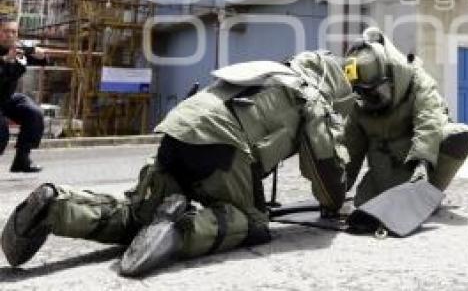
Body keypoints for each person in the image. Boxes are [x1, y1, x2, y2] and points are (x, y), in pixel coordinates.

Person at [2, 50, 354, 277]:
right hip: (221, 144)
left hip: (178, 129)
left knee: (136, 214)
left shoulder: (269, 72)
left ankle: (57, 205)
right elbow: (324, 167)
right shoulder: (311, 96)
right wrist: (335, 203)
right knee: (251, 222)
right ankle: (178, 227)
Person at [341, 28, 468, 206]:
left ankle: (426, 193)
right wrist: (336, 188)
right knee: (363, 204)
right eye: (364, 93)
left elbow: (428, 122)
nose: (371, 98)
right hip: (383, 165)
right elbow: (351, 146)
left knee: (456, 135)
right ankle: (407, 199)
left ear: (391, 75)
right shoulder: (360, 104)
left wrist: (422, 162)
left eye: (377, 91)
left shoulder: (419, 83)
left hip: (418, 161)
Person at [0, 15, 47, 173]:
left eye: (14, 32)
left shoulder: (19, 50)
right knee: (1, 130)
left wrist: (41, 55)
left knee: (34, 113)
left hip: (6, 98)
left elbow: (37, 58)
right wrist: (5, 60)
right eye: (6, 31)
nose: (11, 35)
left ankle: (22, 159)